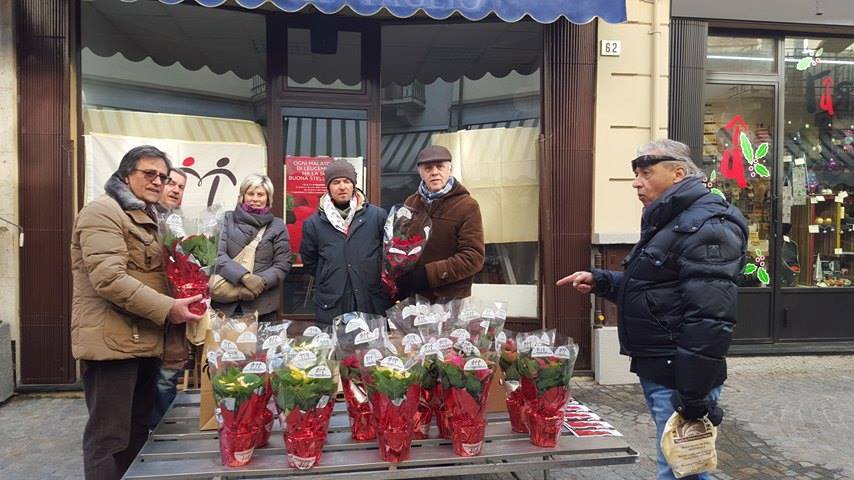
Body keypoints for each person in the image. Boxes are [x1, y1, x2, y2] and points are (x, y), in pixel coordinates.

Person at [557, 139, 748, 480]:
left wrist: (692, 395)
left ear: (678, 173)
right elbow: (657, 290)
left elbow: (710, 319)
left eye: (646, 173)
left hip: (679, 374)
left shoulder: (708, 225)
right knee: (680, 466)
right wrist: (601, 281)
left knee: (682, 469)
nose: (636, 182)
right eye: (636, 174)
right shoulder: (671, 220)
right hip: (664, 368)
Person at [71, 145, 204, 480]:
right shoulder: (103, 212)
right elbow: (109, 279)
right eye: (149, 173)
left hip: (143, 340)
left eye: (163, 176)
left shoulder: (150, 216)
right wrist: (169, 308)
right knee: (109, 438)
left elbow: (157, 275)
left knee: (136, 431)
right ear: (126, 174)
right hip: (112, 345)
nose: (158, 181)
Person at [300, 160, 391, 324]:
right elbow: (310, 262)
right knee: (335, 340)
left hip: (370, 298)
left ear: (354, 185)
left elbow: (387, 254)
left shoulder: (377, 216)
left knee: (372, 340)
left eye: (347, 181)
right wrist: (331, 273)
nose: (342, 187)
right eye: (336, 182)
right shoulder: (314, 223)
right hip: (333, 300)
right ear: (328, 187)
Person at [397, 145, 485, 300]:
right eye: (428, 168)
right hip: (415, 296)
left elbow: (473, 257)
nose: (434, 172)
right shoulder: (411, 203)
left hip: (450, 298)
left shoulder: (467, 206)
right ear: (420, 172)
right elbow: (401, 244)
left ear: (450, 169)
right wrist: (398, 270)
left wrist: (428, 274)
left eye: (440, 166)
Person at [213, 173, 291, 323]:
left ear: (268, 199)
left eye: (260, 194)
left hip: (263, 307)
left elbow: (283, 264)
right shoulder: (226, 219)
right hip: (226, 306)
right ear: (242, 196)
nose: (255, 199)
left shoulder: (277, 226)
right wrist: (244, 277)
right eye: (250, 193)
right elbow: (217, 255)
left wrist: (261, 282)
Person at [150, 168, 189, 429]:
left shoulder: (180, 222)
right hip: (147, 309)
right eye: (171, 183)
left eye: (181, 186)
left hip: (175, 311)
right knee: (148, 376)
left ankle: (163, 430)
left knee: (167, 376)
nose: (175, 190)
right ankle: (148, 431)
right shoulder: (143, 217)